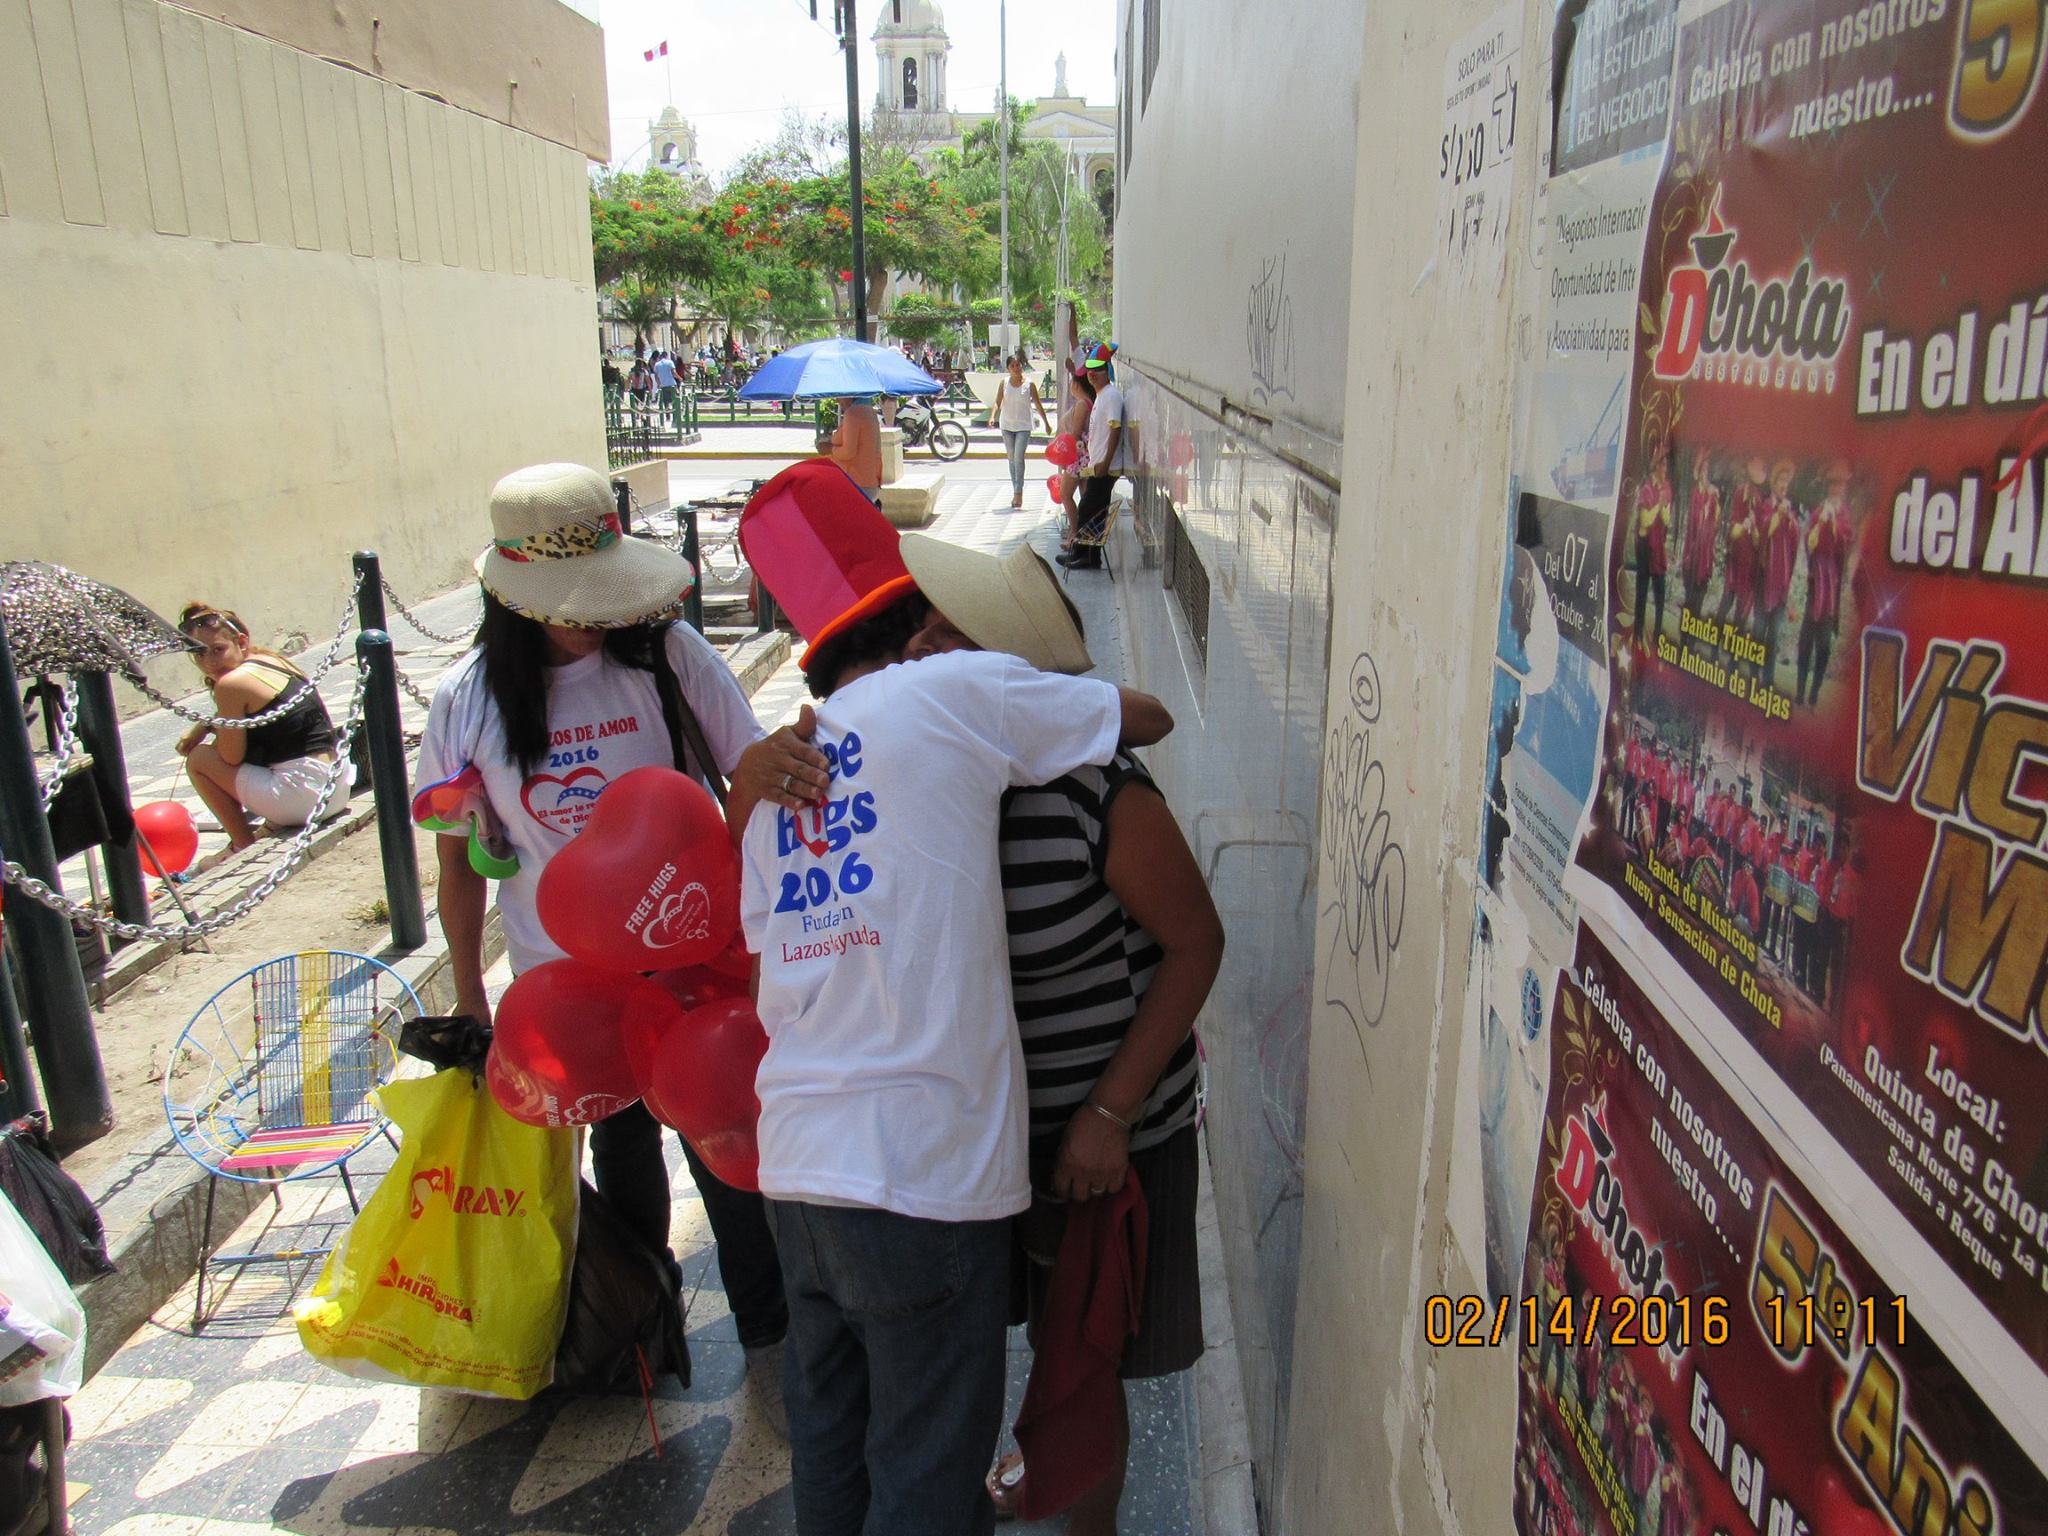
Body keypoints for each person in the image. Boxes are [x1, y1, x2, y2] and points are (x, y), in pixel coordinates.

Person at [730, 464, 1175, 1536]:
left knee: (832, 1461)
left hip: (797, 1170)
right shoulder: (954, 688)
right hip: (920, 1173)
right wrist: (1009, 691)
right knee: (928, 1478)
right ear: (928, 638)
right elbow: (1147, 715)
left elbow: (763, 972)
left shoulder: (777, 778)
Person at [414, 462, 829, 1432]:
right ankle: (642, 1322)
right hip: (567, 996)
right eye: (569, 603)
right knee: (621, 1141)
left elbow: (749, 779)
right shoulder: (465, 702)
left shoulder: (670, 659)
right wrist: (470, 993)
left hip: (694, 973)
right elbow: (459, 866)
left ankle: (773, 1341)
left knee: (724, 1147)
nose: (589, 620)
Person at [892, 536, 1221, 1533]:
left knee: (1084, 1360)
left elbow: (1196, 945)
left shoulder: (1093, 786)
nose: (914, 648)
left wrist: (1109, 1116)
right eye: (919, 629)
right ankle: (1037, 1459)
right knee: (1001, 1341)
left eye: (945, 635)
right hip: (983, 1134)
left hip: (1106, 1134)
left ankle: (1086, 1517)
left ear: (1006, 677)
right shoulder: (917, 776)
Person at [173, 603, 349, 853]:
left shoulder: (230, 684)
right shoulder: (268, 660)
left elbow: (230, 757)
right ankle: (268, 822)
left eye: (218, 650)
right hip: (338, 786)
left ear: (241, 641)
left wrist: (208, 731)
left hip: (306, 800)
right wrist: (207, 725)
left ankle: (241, 844)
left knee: (200, 759)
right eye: (200, 654)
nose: (210, 662)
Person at [1063, 344, 1129, 570]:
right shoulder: (1102, 395)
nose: (1092, 374)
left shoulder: (1111, 396)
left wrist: (1105, 462)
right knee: (1090, 510)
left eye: (1097, 369)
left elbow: (1115, 429)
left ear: (1106, 371)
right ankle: (1083, 554)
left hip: (1105, 467)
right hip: (1097, 465)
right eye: (1090, 369)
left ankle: (1087, 556)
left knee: (1089, 510)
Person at [988, 353, 1052, 509]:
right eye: (1013, 366)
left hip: (1023, 426)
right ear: (1008, 369)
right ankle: (1015, 491)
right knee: (1011, 460)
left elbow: (1038, 404)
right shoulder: (1004, 383)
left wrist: (1046, 423)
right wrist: (992, 416)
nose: (1016, 368)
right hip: (1006, 426)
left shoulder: (1029, 385)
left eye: (1018, 365)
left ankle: (1018, 493)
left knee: (1018, 458)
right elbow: (997, 402)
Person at [1630, 448, 1672, 645]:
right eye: (1662, 465)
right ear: (1656, 466)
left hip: (1658, 548)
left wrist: (1663, 506)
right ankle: (1637, 634)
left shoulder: (1667, 488)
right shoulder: (1647, 489)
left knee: (1660, 593)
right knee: (1642, 591)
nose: (1665, 469)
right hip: (1645, 547)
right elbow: (1645, 520)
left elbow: (1667, 519)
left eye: (1666, 465)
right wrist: (1658, 505)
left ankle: (1656, 636)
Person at [1056, 366, 1100, 552]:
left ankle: (1075, 534)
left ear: (1076, 384)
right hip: (1082, 457)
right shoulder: (1087, 402)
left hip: (1078, 458)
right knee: (1083, 497)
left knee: (1065, 494)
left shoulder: (1082, 404)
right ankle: (1082, 537)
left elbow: (1075, 434)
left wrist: (1063, 452)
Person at [828, 396, 883, 502]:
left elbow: (848, 452)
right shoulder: (869, 411)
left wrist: (830, 449)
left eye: (840, 396)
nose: (837, 400)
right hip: (871, 481)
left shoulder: (853, 413)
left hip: (856, 482)